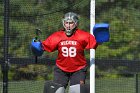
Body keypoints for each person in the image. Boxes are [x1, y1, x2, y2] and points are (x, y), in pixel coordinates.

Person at [31, 12, 98, 93]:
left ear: (76, 24)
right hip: (61, 69)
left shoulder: (83, 35)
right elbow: (43, 47)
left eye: (71, 23)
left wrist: (100, 37)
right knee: (57, 91)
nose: (68, 25)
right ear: (63, 23)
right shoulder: (57, 36)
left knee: (77, 91)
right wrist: (36, 46)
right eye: (66, 23)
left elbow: (95, 42)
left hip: (78, 69)